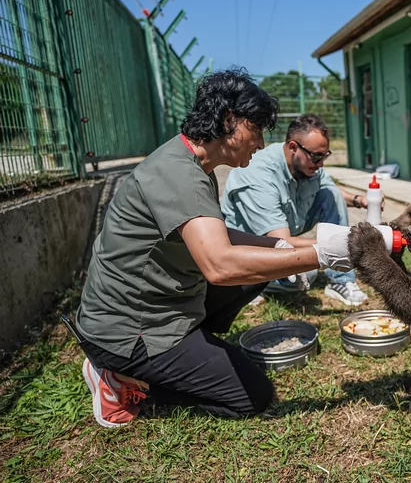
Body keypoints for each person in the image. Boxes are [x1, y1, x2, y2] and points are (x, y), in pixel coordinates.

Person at [75, 68, 353, 428]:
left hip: (161, 304)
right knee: (252, 395)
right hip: (130, 330)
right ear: (229, 120)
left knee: (260, 268)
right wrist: (321, 256)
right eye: (256, 130)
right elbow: (220, 266)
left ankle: (191, 347)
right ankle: (121, 380)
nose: (260, 143)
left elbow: (217, 233)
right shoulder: (181, 175)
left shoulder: (192, 162)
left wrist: (281, 245)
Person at [221, 113, 379, 306]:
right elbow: (281, 241)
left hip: (284, 231)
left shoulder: (307, 165)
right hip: (252, 247)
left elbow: (331, 188)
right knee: (307, 272)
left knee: (331, 194)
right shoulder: (258, 176)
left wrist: (359, 200)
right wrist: (339, 244)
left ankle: (341, 281)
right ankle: (249, 282)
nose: (321, 164)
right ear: (293, 147)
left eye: (324, 156)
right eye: (316, 157)